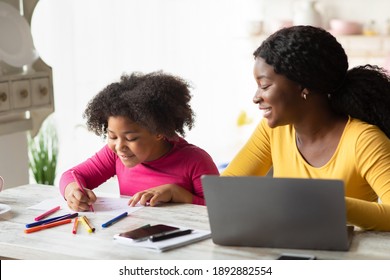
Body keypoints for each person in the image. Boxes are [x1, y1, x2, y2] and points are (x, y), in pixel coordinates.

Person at [222, 25, 390, 231]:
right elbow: (226, 190)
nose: (256, 97)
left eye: (264, 86)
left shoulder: (364, 140)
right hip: (285, 247)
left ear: (303, 87)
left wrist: (332, 205)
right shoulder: (273, 131)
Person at [60, 71, 219, 211]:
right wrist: (73, 191)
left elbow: (222, 211)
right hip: (132, 238)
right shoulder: (114, 155)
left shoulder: (196, 161)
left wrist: (179, 194)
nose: (120, 146)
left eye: (131, 138)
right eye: (112, 136)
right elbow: (71, 175)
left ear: (159, 132)